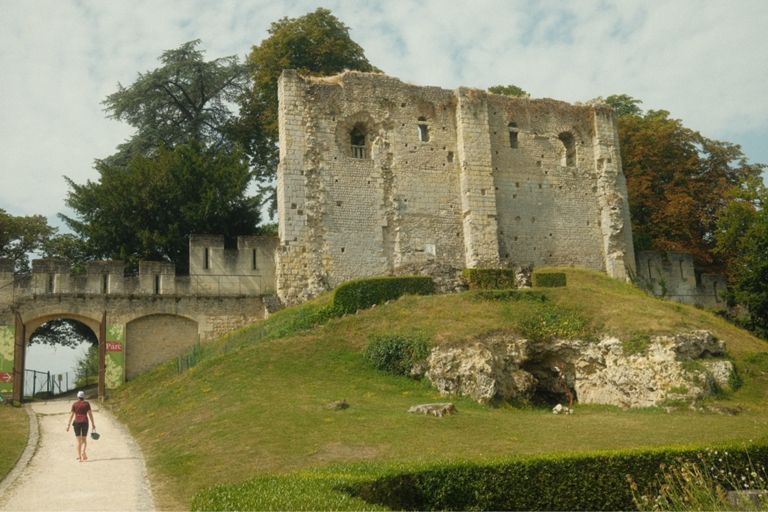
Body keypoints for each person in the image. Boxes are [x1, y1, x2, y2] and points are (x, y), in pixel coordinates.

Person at [66, 390, 95, 461]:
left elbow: (71, 415)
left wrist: (68, 425)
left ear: (77, 396)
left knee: (78, 441)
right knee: (84, 439)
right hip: (85, 422)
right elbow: (90, 414)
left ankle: (79, 457)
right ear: (84, 397)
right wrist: (93, 424)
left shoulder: (74, 404)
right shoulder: (87, 404)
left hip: (77, 422)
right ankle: (83, 452)